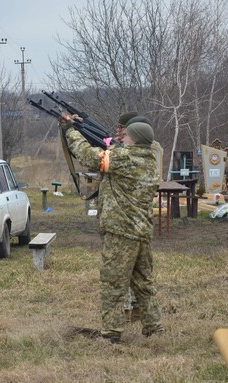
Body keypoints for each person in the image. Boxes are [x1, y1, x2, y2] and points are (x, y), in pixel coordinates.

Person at [59, 112, 164, 343]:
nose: (122, 139)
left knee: (113, 284)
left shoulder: (124, 158)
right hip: (140, 232)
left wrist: (70, 130)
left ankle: (111, 334)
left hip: (121, 233)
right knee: (144, 284)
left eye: (126, 136)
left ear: (134, 139)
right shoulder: (149, 159)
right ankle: (154, 328)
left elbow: (89, 156)